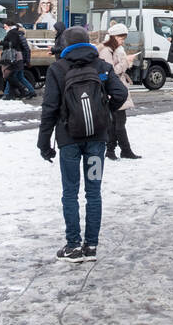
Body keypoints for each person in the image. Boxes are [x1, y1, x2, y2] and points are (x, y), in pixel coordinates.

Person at [37, 25, 129, 262]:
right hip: (97, 140)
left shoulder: (57, 69)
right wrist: (104, 112)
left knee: (70, 191)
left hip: (68, 140)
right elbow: (120, 94)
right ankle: (91, 246)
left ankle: (73, 245)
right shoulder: (102, 67)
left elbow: (49, 109)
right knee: (94, 192)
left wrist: (44, 142)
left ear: (65, 45)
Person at [99, 23, 141, 159]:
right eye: (121, 38)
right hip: (113, 90)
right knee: (118, 122)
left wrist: (126, 62)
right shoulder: (106, 51)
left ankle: (113, 150)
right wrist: (126, 62)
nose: (123, 41)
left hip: (117, 88)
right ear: (113, 37)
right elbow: (110, 71)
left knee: (117, 122)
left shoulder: (114, 48)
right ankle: (120, 150)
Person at [1, 22, 36, 100]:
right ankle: (31, 91)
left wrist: (27, 60)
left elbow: (26, 49)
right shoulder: (19, 35)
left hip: (18, 59)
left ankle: (8, 93)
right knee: (20, 77)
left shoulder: (17, 35)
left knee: (10, 76)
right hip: (20, 59)